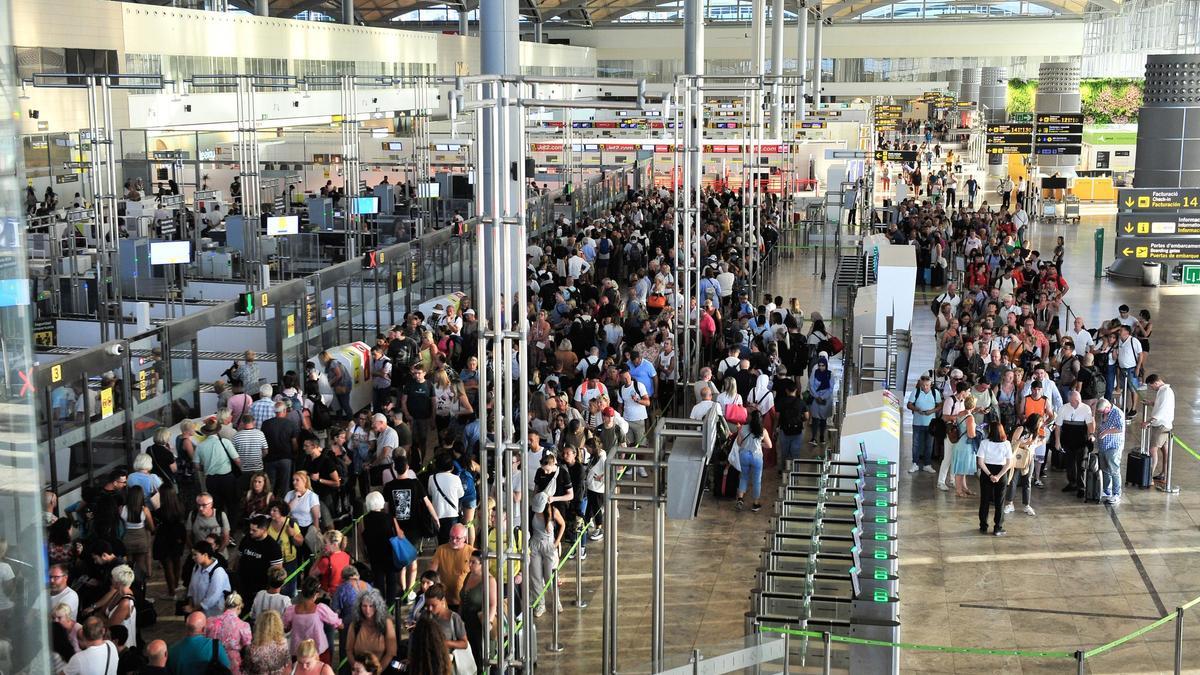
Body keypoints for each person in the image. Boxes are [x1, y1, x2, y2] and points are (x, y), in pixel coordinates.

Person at [284, 577, 342, 663]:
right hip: (319, 652)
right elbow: (339, 624)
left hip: (298, 653)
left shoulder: (291, 610)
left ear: (302, 593)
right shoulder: (321, 609)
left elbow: (285, 628)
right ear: (316, 594)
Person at [344, 588, 397, 673]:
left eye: (371, 606)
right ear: (359, 607)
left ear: (377, 607)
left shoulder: (386, 624)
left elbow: (391, 653)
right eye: (364, 606)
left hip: (382, 670)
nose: (367, 610)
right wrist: (358, 670)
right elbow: (349, 650)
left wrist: (376, 672)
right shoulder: (355, 625)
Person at [976, 420, 1014, 536]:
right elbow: (1009, 463)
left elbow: (980, 462)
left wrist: (990, 475)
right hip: (1001, 473)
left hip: (987, 472)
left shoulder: (984, 443)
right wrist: (998, 476)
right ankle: (998, 527)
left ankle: (983, 526)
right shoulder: (1006, 443)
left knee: (985, 501)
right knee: (1000, 502)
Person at [236, 514, 283, 603]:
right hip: (243, 585)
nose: (250, 532)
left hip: (260, 589)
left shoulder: (273, 547)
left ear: (264, 530)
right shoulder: (246, 539)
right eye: (250, 529)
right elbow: (238, 557)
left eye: (254, 530)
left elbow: (277, 572)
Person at [1056, 389, 1094, 496]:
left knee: (1081, 465)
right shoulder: (1063, 408)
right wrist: (1057, 441)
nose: (1076, 403)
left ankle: (1081, 487)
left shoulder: (1086, 409)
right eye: (1073, 401)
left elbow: (1090, 425)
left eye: (1077, 401)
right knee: (1070, 464)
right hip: (1067, 441)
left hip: (1081, 442)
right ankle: (1072, 483)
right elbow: (1058, 426)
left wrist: (1091, 435)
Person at [203, 592, 252, 675]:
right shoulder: (243, 625)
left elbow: (204, 639)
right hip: (232, 663)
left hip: (211, 660)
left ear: (225, 606)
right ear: (239, 607)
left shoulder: (210, 621)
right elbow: (248, 646)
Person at [429, 523, 474, 611]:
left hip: (465, 602)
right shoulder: (441, 550)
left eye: (457, 538)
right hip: (444, 601)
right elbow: (431, 573)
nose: (453, 541)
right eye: (451, 537)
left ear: (464, 539)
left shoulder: (471, 552)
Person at [733, 410, 772, 512]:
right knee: (756, 481)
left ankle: (740, 499)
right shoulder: (763, 430)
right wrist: (760, 444)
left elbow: (738, 443)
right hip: (757, 457)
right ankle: (755, 503)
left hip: (744, 455)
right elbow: (769, 445)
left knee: (743, 477)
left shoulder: (743, 428)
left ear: (750, 418)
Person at [184, 541, 230, 617]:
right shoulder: (196, 567)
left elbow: (212, 597)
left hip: (213, 615)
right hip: (198, 612)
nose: (193, 558)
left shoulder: (218, 572)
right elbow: (191, 587)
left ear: (205, 555)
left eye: (195, 555)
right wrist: (190, 605)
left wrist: (194, 609)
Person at [1143, 374, 1175, 485]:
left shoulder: (1165, 392)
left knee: (1153, 450)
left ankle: (1149, 476)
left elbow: (1161, 411)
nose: (1152, 389)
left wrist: (1148, 422)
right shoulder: (1164, 391)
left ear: (1156, 383)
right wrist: (1151, 403)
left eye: (1152, 386)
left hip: (1161, 425)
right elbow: (1161, 405)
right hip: (1166, 424)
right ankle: (1164, 474)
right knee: (1164, 450)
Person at [905, 375, 941, 473]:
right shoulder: (915, 392)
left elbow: (940, 405)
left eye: (927, 385)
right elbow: (909, 404)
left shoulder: (935, 393)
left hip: (930, 424)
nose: (925, 387)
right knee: (916, 444)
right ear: (920, 384)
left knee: (929, 444)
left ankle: (927, 464)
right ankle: (915, 463)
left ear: (931, 384)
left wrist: (932, 411)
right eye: (923, 385)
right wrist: (917, 409)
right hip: (917, 422)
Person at [427, 456, 465, 545]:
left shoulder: (432, 478)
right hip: (452, 514)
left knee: (441, 543)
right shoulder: (456, 478)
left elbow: (430, 492)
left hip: (437, 515)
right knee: (453, 542)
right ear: (452, 467)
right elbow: (461, 494)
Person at [242, 610, 290, 675]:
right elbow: (287, 664)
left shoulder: (252, 649)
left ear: (259, 626)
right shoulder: (285, 643)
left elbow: (247, 670)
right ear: (279, 624)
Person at [1096, 398, 1125, 504]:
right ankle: (1107, 490)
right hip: (1103, 446)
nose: (1101, 413)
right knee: (1105, 469)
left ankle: (1116, 493)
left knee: (1114, 470)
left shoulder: (1118, 413)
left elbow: (1120, 428)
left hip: (1114, 446)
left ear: (1108, 407)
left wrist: (1106, 432)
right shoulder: (1104, 413)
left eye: (1102, 411)